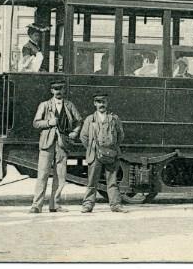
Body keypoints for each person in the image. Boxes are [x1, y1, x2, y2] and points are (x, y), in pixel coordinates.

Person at [29, 80, 82, 213]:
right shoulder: (45, 105)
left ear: (64, 90)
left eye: (61, 89)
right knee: (42, 174)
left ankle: (55, 205)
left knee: (60, 175)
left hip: (62, 144)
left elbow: (78, 121)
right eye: (55, 89)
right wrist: (49, 122)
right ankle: (36, 205)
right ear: (51, 91)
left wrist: (75, 132)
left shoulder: (69, 105)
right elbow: (36, 123)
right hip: (47, 144)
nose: (58, 91)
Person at [80, 94, 126, 213]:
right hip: (95, 155)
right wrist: (92, 148)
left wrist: (112, 147)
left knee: (112, 181)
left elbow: (120, 135)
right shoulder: (90, 119)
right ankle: (88, 205)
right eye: (99, 102)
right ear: (95, 104)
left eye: (103, 102)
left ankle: (115, 205)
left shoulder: (114, 119)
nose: (101, 104)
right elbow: (83, 136)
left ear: (107, 103)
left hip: (111, 154)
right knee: (92, 181)